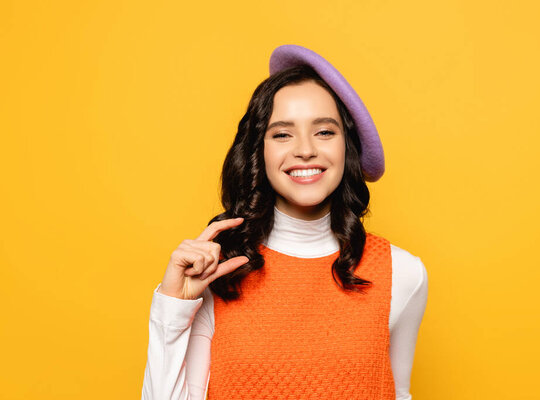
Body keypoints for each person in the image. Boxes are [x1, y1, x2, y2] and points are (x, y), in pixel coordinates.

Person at [141, 45, 428, 400]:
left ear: (347, 147)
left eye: (324, 132)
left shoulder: (404, 273)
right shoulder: (220, 272)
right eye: (282, 134)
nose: (305, 149)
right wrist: (173, 306)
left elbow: (396, 393)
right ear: (258, 150)